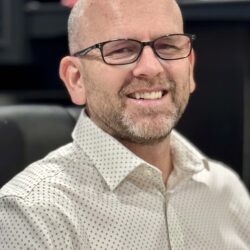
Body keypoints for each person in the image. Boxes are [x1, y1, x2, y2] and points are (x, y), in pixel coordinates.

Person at [0, 0, 249, 249]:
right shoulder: (30, 215)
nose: (151, 69)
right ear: (76, 79)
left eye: (168, 46)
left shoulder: (225, 190)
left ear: (190, 66)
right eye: (121, 50)